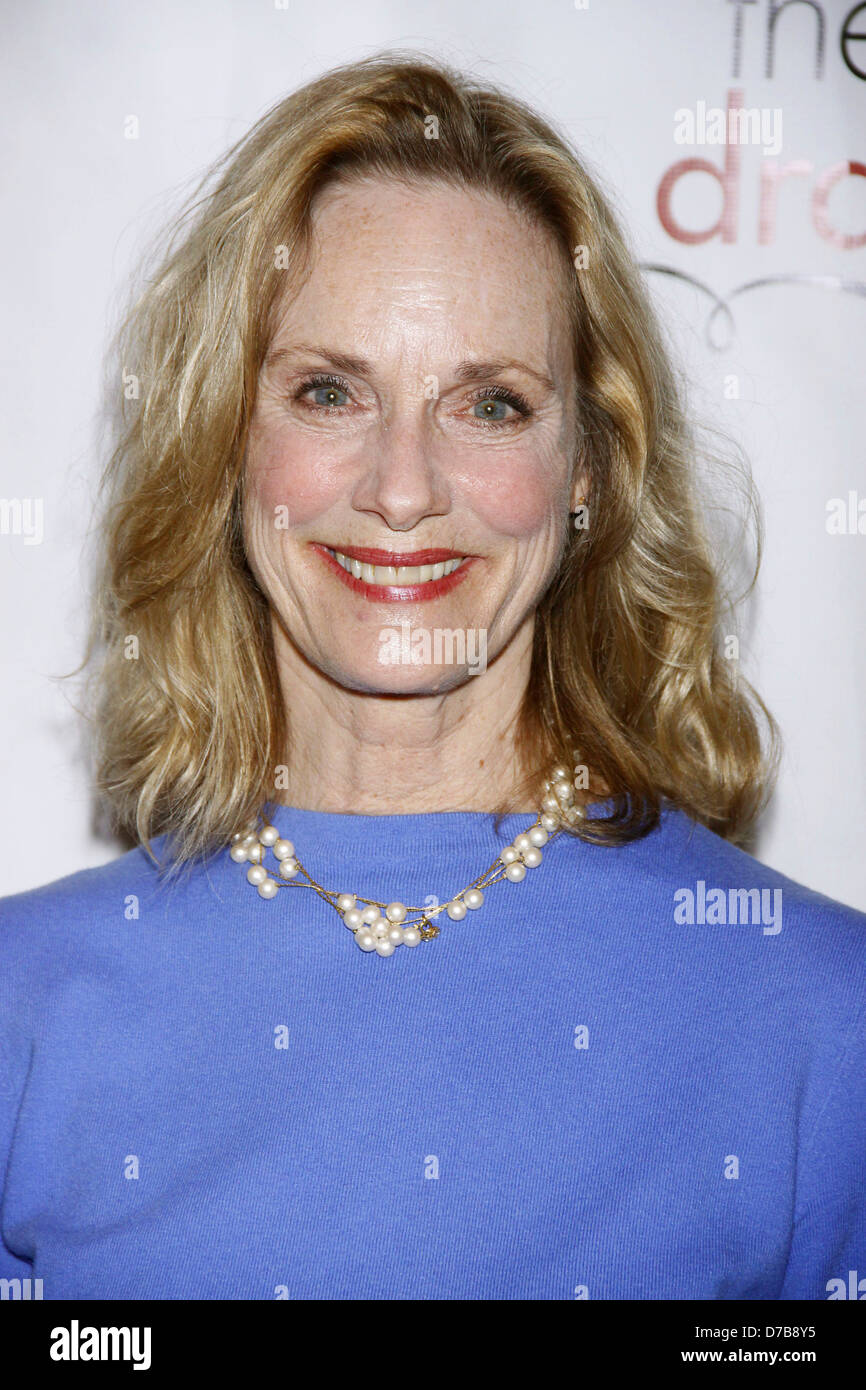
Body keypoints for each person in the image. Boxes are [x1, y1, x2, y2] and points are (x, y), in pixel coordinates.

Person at [1, 53, 864, 1302]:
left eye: (492, 405)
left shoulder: (819, 1020)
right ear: (227, 445)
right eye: (328, 390)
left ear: (588, 470)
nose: (400, 488)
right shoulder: (29, 1008)